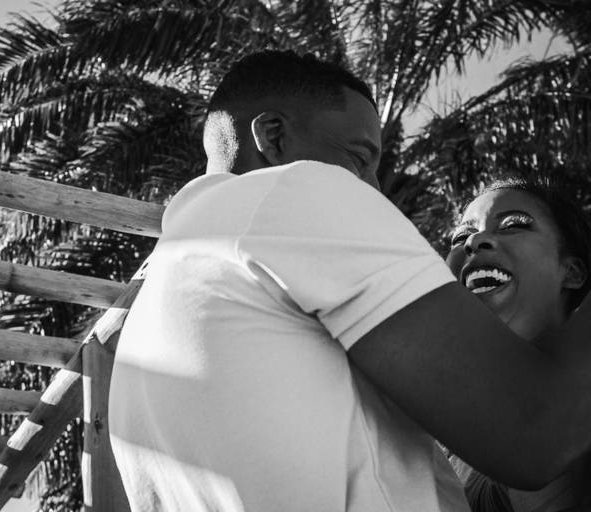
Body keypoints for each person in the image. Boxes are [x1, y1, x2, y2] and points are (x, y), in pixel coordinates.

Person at [109, 50, 591, 512]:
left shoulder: (143, 333)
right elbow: (536, 434)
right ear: (274, 137)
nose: (374, 190)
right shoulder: (296, 192)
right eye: (359, 158)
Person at [446, 178, 591, 512]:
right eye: (461, 237)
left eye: (513, 225)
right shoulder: (437, 431)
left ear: (572, 272)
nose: (475, 241)